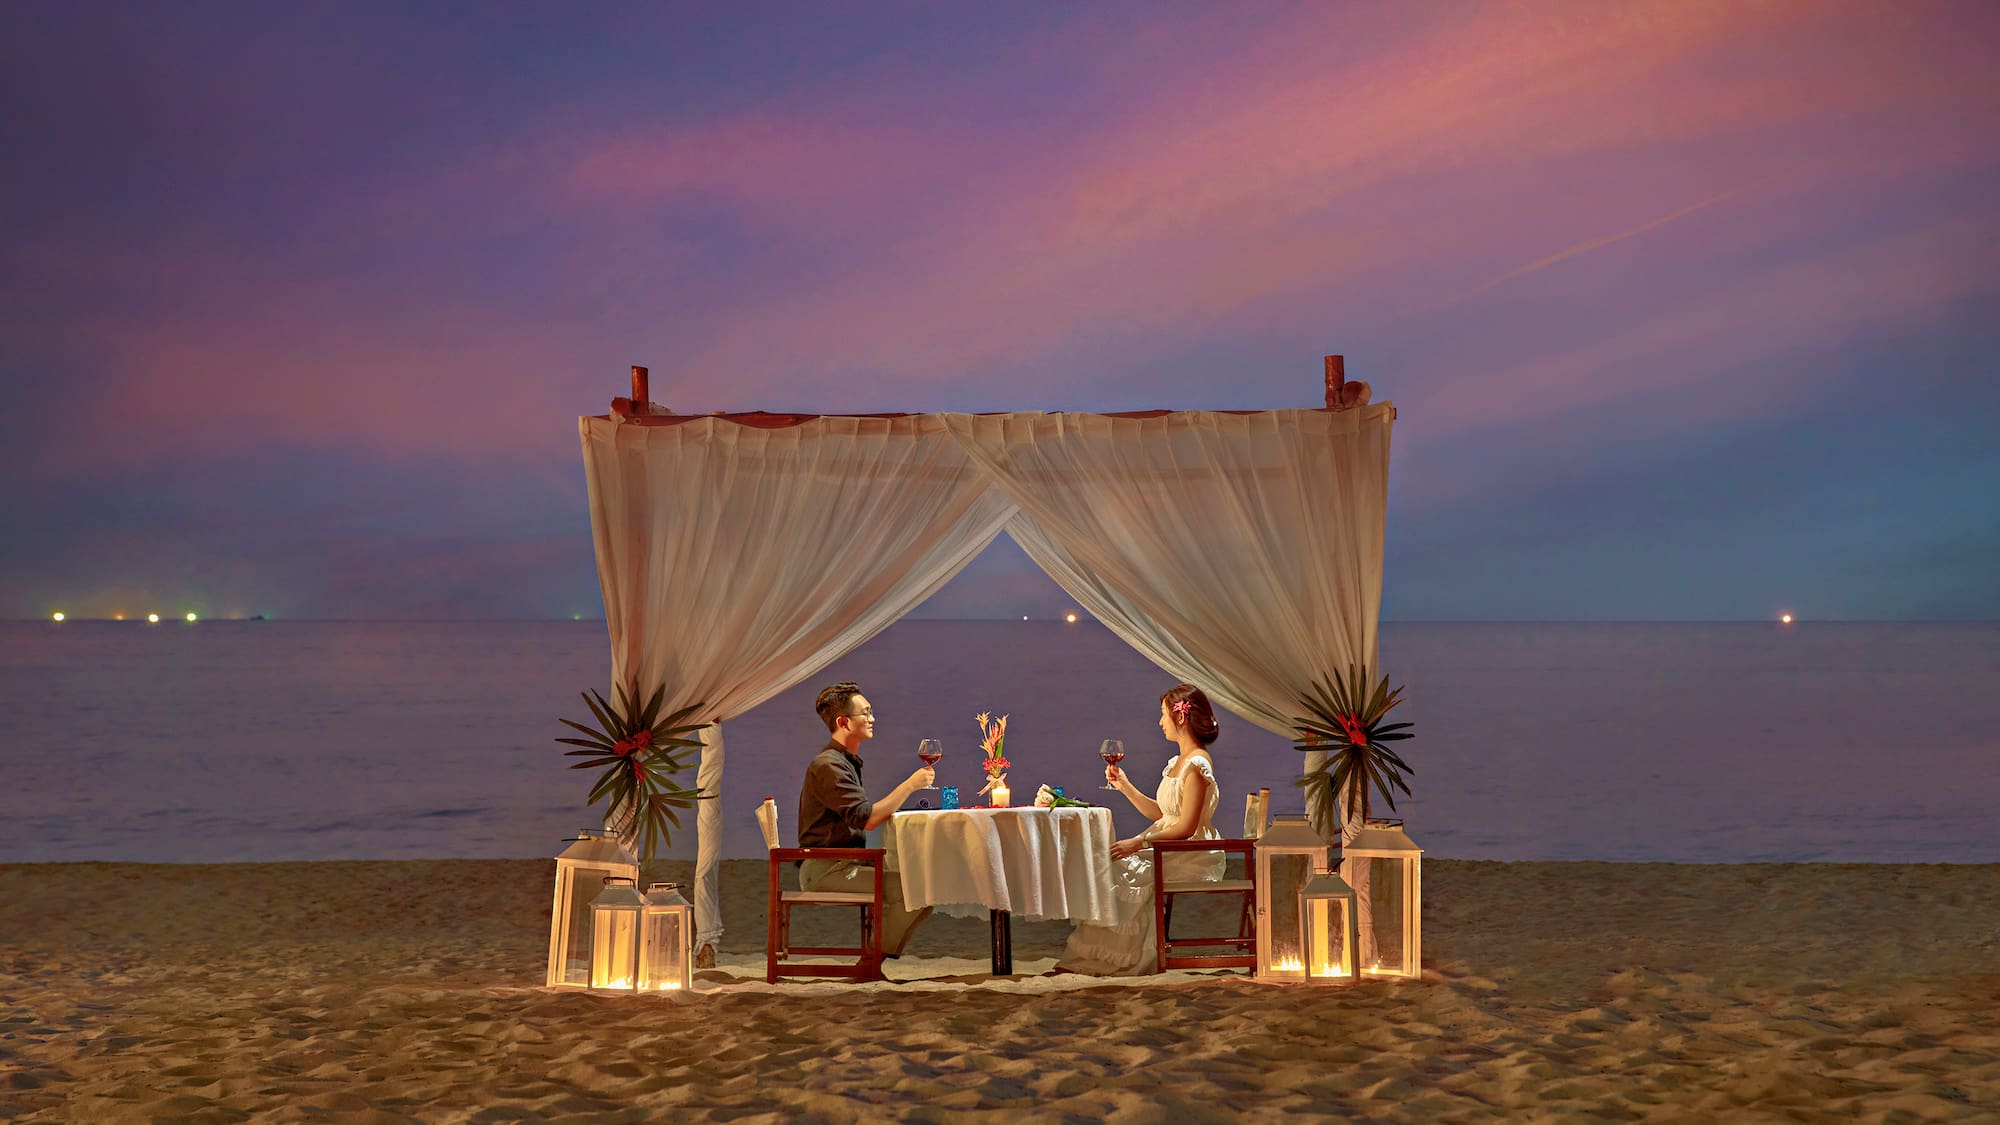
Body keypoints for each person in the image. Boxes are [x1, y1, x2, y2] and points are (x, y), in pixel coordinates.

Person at [1058, 683, 1225, 976]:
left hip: (1187, 851)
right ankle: (1106, 956)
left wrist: (1139, 841)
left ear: (1180, 717)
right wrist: (1124, 786)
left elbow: (1185, 827)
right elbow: (1164, 814)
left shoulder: (1197, 765)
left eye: (1163, 715)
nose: (1160, 722)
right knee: (1108, 863)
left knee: (1118, 869)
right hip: (1165, 843)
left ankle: (1121, 958)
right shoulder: (1178, 761)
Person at [796, 680, 935, 976]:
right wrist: (910, 785)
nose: (873, 719)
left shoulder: (845, 762)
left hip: (842, 865)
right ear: (843, 722)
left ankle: (870, 963)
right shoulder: (829, 766)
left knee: (921, 888)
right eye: (866, 713)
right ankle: (869, 965)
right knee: (919, 891)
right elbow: (867, 818)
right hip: (827, 870)